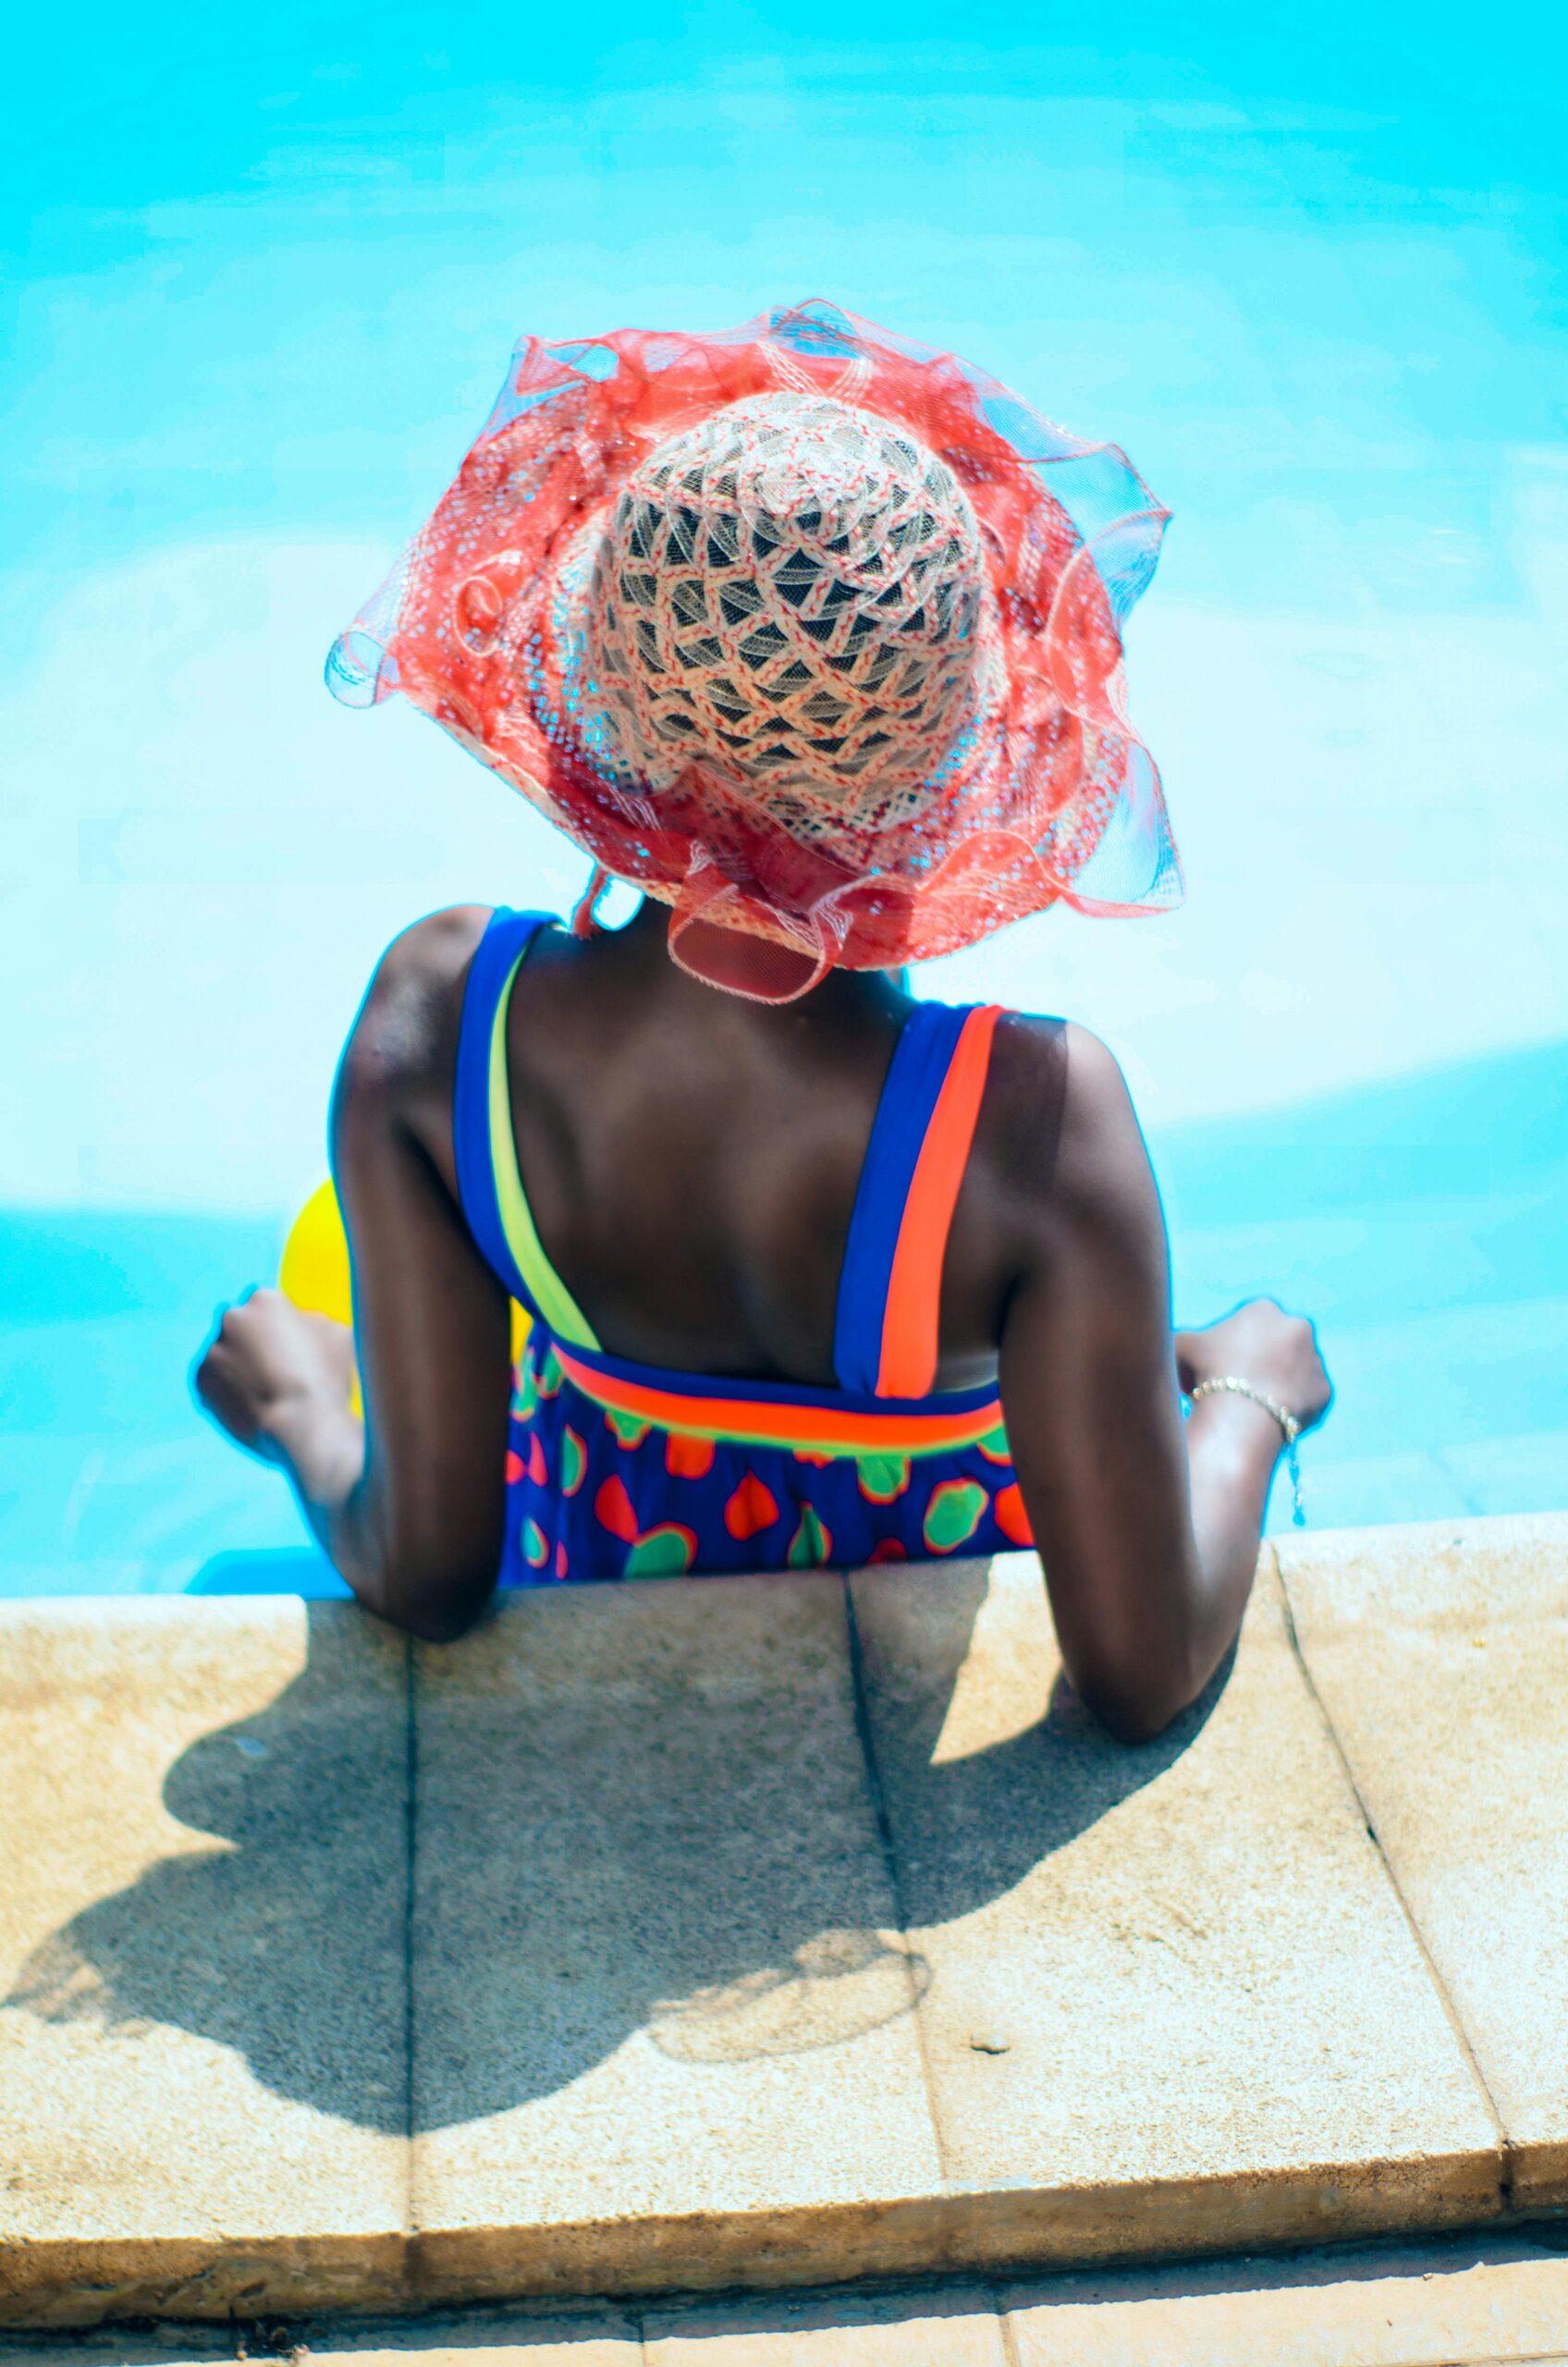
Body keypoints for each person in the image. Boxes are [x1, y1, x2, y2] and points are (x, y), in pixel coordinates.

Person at [196, 301, 1330, 1741]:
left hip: (597, 1600)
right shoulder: (1027, 1124)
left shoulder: (443, 1024)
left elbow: (430, 1577)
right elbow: (1140, 1671)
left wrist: (306, 1407)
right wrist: (1246, 1393)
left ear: (593, 685)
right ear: (969, 748)